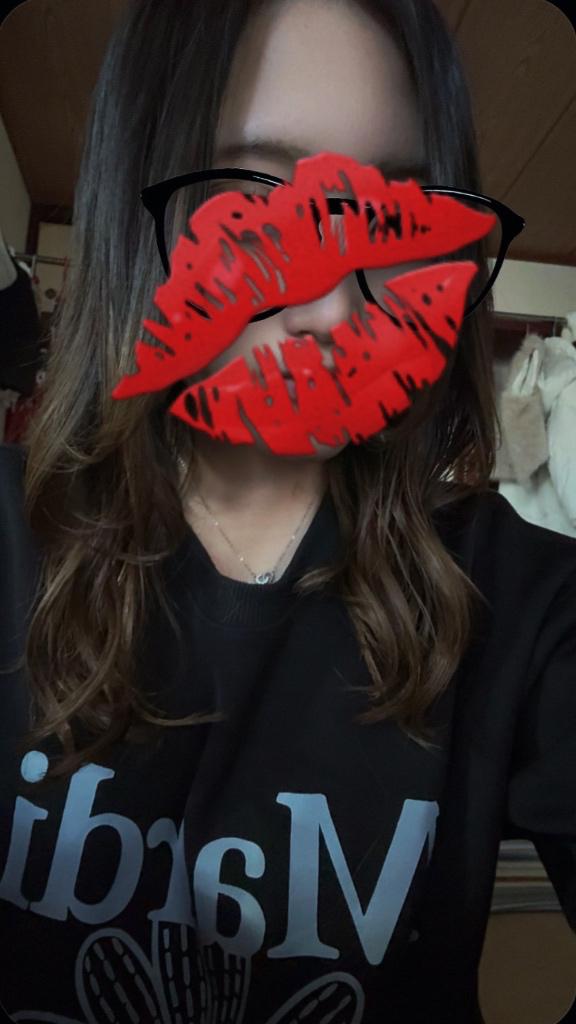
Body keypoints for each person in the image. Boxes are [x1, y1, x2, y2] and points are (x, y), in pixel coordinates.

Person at [0, 1, 574, 1022]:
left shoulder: (522, 602)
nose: (336, 309)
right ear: (134, 214)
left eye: (394, 222)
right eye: (253, 203)